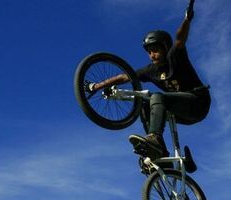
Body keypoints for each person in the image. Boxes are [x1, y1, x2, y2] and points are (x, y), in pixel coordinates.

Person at [86, 1, 211, 159]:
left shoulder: (175, 57)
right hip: (182, 111)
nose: (152, 55)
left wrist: (187, 19)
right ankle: (159, 154)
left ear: (165, 48)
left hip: (198, 102)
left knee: (156, 97)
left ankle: (154, 139)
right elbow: (124, 77)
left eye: (155, 50)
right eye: (149, 52)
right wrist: (97, 86)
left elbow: (180, 39)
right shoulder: (151, 70)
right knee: (145, 105)